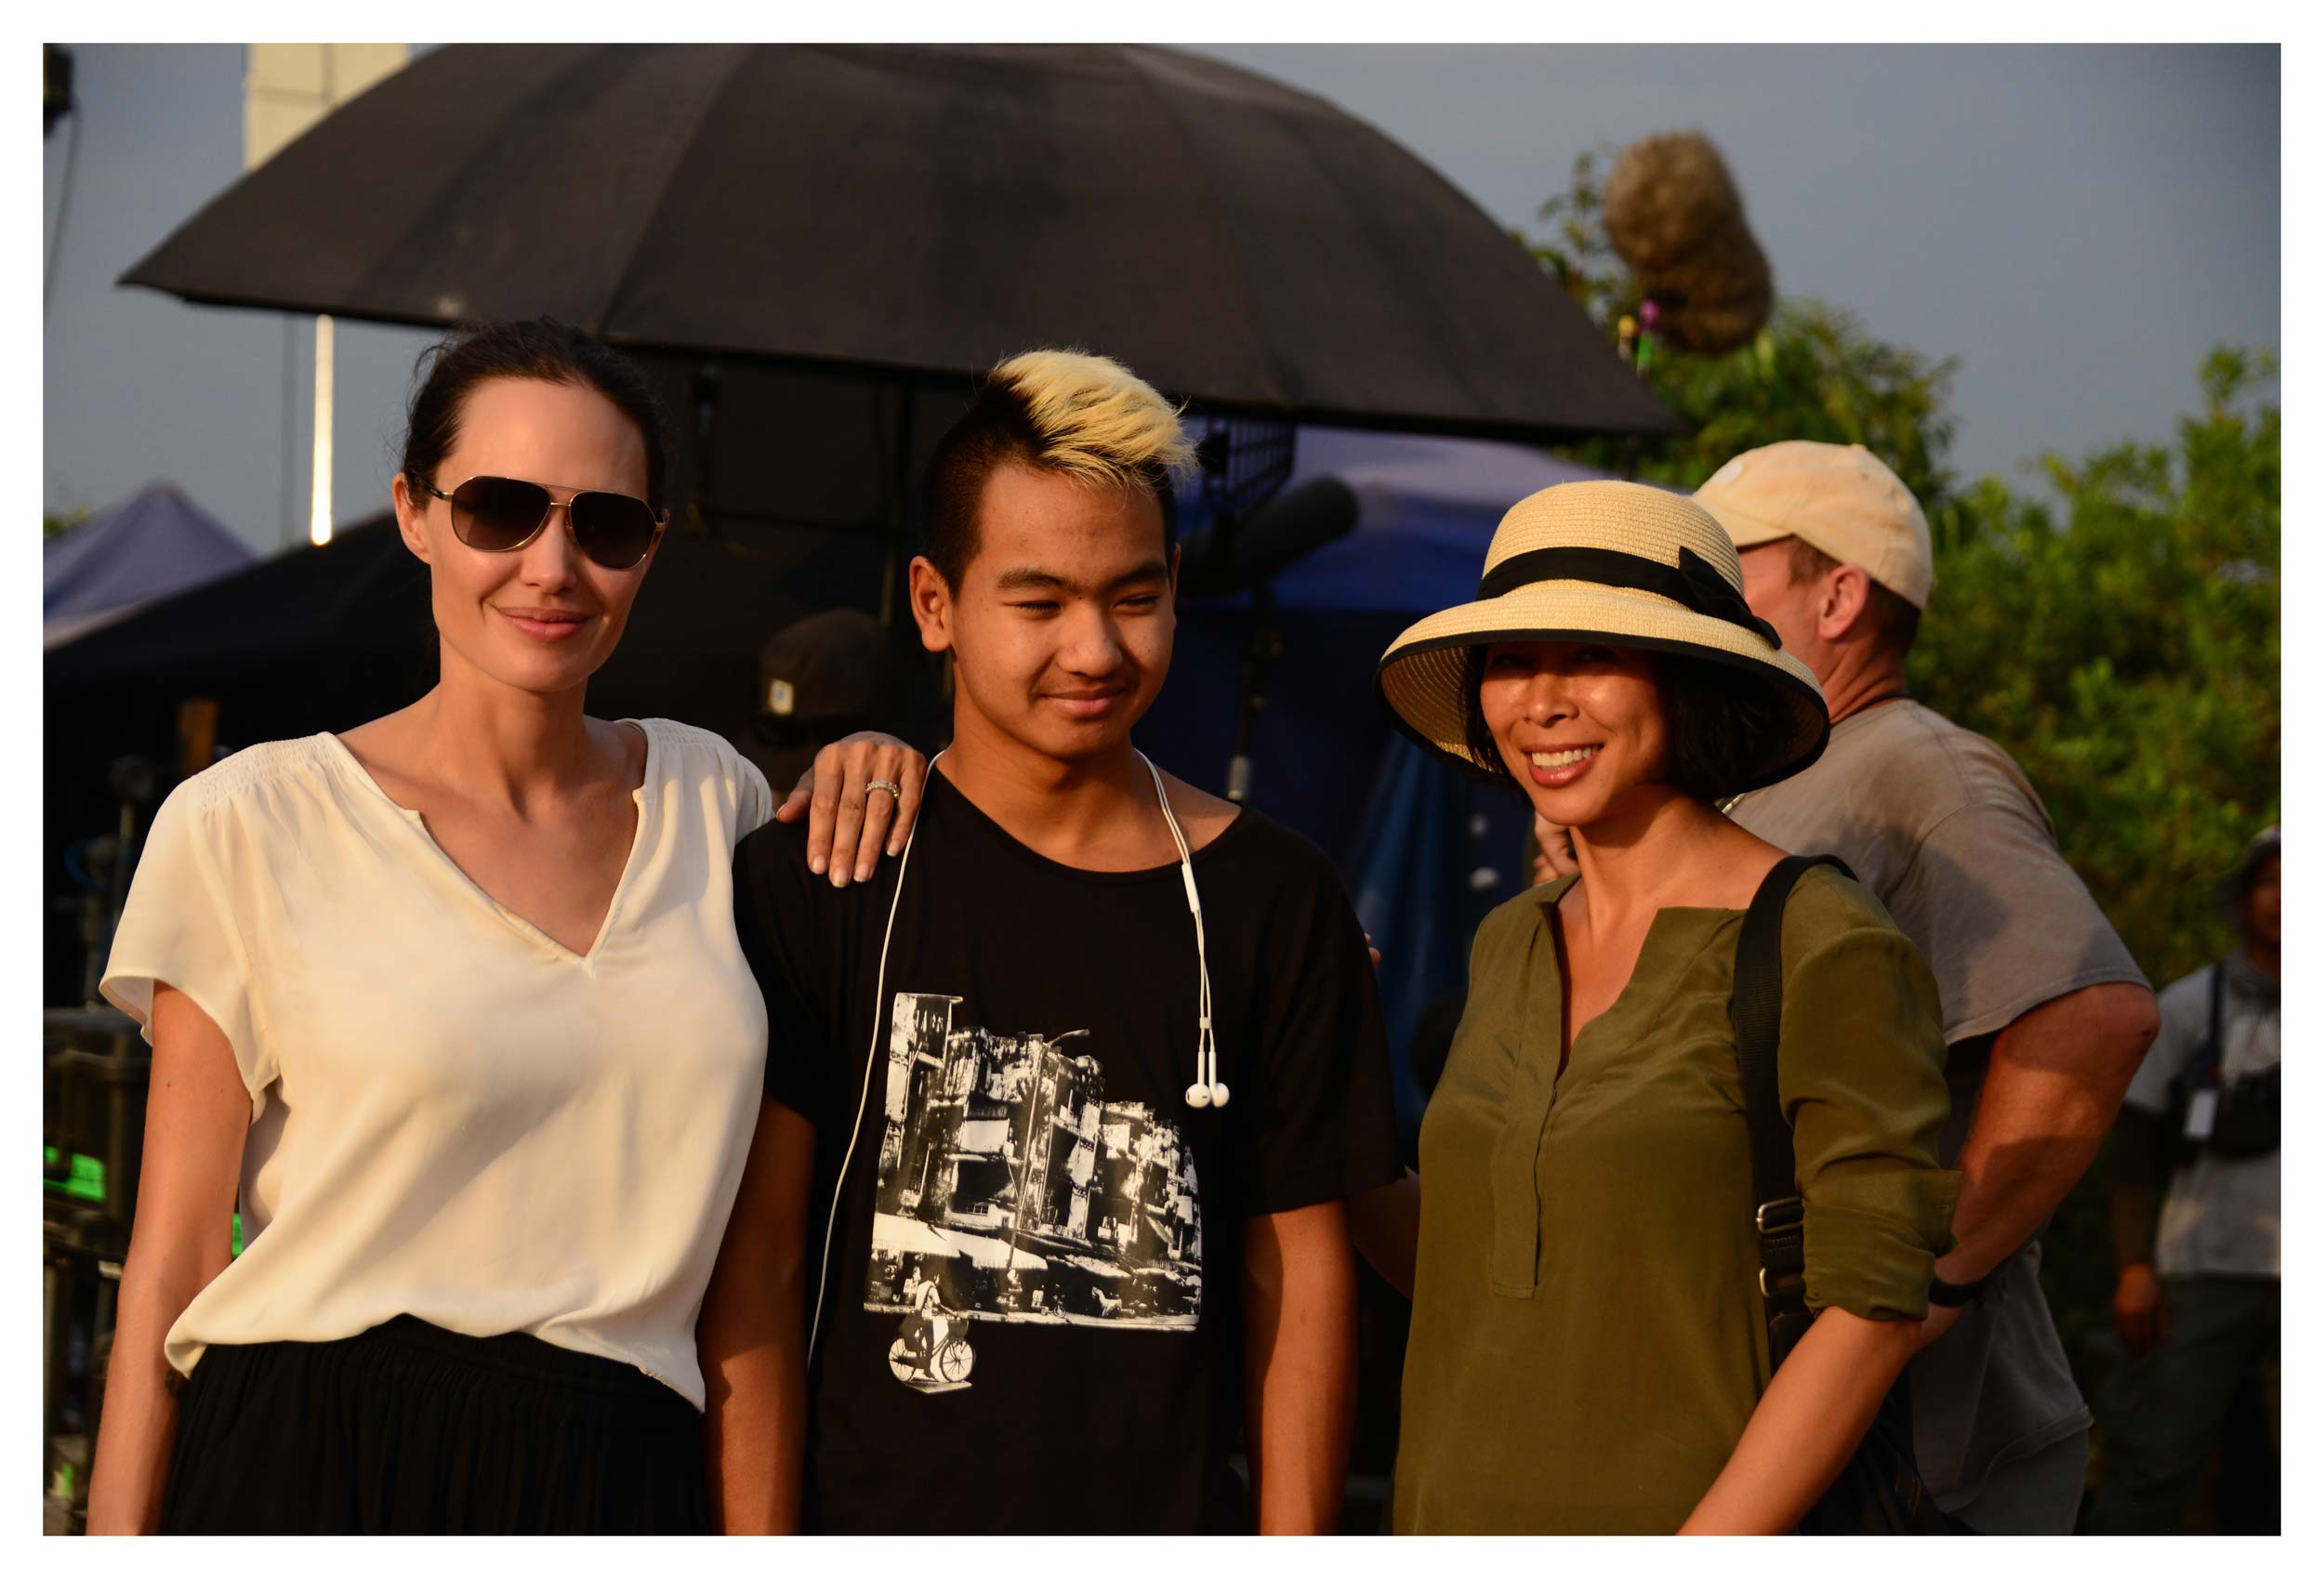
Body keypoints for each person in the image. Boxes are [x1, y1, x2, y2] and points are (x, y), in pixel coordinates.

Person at [84, 318, 925, 1535]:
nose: (552, 564)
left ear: (650, 548)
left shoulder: (723, 804)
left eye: (605, 524)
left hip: (619, 1474)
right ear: (414, 513)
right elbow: (168, 1264)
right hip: (313, 1463)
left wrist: (880, 756)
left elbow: (756, 1274)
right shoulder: (252, 819)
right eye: (500, 509)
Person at [703, 349, 1402, 1534]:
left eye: (1131, 597)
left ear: (1175, 584)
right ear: (935, 604)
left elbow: (1298, 1276)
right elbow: (757, 1273)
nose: (1093, 650)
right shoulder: (827, 875)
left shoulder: (1276, 899)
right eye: (1038, 603)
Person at [1374, 480, 1959, 1533]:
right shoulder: (1511, 937)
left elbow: (1871, 1309)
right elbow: (1469, 1264)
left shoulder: (1822, 942)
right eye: (1512, 659)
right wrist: (1315, 1092)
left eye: (1593, 653)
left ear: (1690, 679)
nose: (1543, 701)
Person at [1682, 440, 2160, 1532]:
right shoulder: (1780, 774)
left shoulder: (1916, 767)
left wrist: (1930, 1285)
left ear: (1838, 596)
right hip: (1778, 1428)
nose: (1694, 598)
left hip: (1920, 1460)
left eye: (1727, 566)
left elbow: (2096, 1017)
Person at [2089, 827, 2279, 1533]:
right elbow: (2133, 1146)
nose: (2285, 899)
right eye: (2269, 882)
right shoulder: (2191, 1005)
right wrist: (2135, 1266)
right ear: (2243, 898)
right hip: (2204, 1264)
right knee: (2158, 1459)